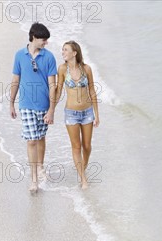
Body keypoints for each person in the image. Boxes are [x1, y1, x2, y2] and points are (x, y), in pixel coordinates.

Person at [10, 22, 57, 193]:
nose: (46, 43)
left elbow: (53, 85)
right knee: (32, 140)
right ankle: (34, 179)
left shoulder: (49, 57)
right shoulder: (19, 55)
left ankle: (40, 166)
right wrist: (11, 103)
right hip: (26, 105)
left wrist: (52, 109)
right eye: (43, 40)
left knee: (41, 137)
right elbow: (15, 80)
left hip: (44, 105)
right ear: (33, 37)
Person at [54, 41, 99, 189]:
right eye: (62, 50)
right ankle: (83, 178)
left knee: (87, 146)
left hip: (87, 112)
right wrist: (51, 110)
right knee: (76, 146)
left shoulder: (86, 69)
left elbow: (92, 91)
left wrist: (96, 114)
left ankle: (82, 169)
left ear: (74, 53)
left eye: (65, 50)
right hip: (71, 113)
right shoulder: (62, 69)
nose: (63, 52)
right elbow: (59, 92)